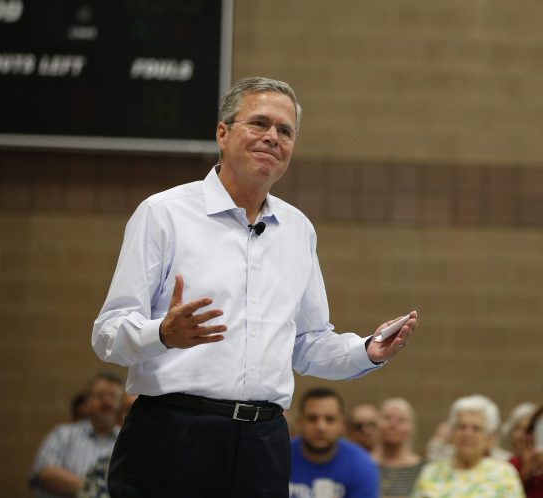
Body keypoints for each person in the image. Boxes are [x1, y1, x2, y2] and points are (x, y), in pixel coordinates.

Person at [91, 75, 418, 498]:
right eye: (259, 123)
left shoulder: (298, 229)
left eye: (285, 131)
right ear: (222, 134)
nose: (272, 137)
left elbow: (306, 343)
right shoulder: (163, 214)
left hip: (263, 443)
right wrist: (162, 334)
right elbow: (108, 333)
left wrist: (366, 350)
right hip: (173, 434)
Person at [29, 373, 123, 498]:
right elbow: (45, 473)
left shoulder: (128, 442)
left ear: (122, 403)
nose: (106, 402)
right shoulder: (63, 434)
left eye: (113, 396)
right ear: (88, 401)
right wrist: (96, 491)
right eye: (100, 396)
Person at [412, 394, 525, 498]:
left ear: (489, 438)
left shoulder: (504, 474)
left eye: (476, 429)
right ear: (452, 433)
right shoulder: (431, 472)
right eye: (461, 427)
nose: (467, 434)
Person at [289, 387, 379, 498]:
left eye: (329, 419)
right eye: (312, 418)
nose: (320, 427)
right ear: (300, 422)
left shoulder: (362, 465)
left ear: (342, 424)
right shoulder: (277, 458)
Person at [372, 398, 424, 497]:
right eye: (387, 418)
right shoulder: (363, 464)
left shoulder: (425, 470)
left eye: (401, 420)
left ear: (411, 427)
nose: (393, 425)